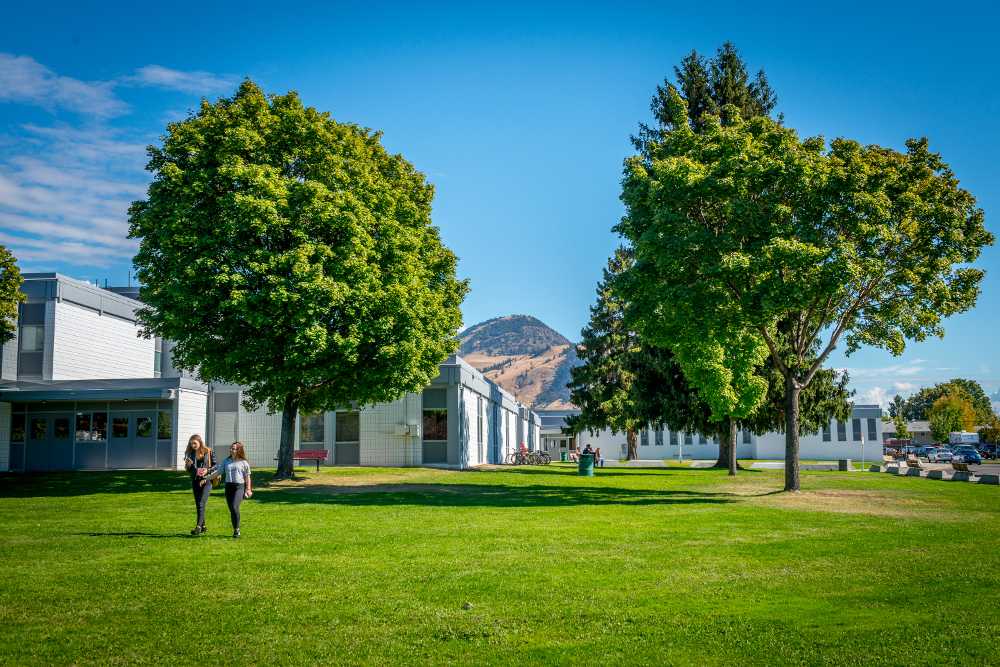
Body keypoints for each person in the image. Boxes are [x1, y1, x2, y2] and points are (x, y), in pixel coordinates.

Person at [202, 442, 252, 538]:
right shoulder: (226, 461)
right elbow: (217, 472)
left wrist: (248, 489)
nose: (231, 450)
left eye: (234, 449)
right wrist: (206, 479)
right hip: (229, 487)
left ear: (239, 451)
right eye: (231, 448)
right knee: (232, 510)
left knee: (234, 507)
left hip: (239, 487)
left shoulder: (244, 462)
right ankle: (235, 530)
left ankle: (237, 530)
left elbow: (247, 476)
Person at [184, 435, 217, 536]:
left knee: (201, 504)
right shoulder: (191, 453)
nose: (193, 445)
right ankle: (203, 526)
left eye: (195, 443)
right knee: (199, 504)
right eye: (191, 444)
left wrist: (208, 470)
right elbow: (188, 470)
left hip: (207, 480)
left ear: (200, 441)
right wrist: (188, 465)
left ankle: (197, 528)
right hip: (196, 480)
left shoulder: (208, 451)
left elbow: (216, 465)